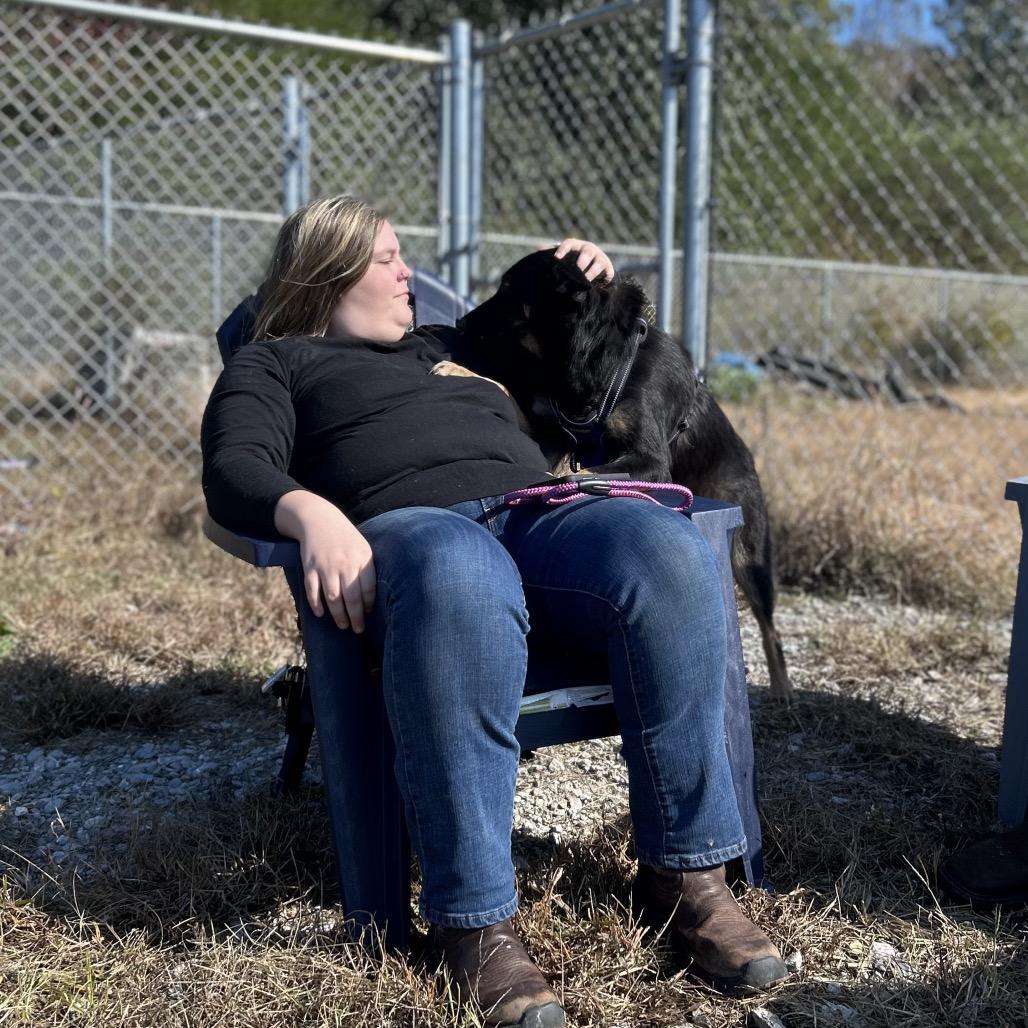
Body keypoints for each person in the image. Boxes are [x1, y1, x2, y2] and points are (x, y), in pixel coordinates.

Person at [201, 195, 789, 1028]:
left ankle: (687, 880)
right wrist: (311, 513)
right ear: (328, 276)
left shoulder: (448, 347)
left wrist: (580, 269)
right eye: (389, 259)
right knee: (459, 571)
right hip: (419, 532)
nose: (411, 273)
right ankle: (476, 926)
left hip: (542, 514)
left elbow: (581, 352)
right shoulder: (275, 364)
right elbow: (233, 471)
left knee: (672, 548)